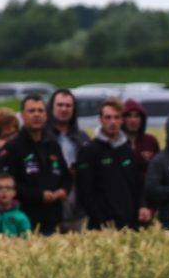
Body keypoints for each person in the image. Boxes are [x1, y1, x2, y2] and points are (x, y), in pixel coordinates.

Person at [76, 99, 151, 230]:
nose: (112, 122)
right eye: (108, 117)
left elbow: (138, 183)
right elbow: (85, 192)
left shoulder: (127, 150)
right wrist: (102, 222)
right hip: (102, 228)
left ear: (122, 120)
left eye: (116, 117)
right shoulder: (89, 151)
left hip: (130, 224)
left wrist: (142, 206)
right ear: (100, 120)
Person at [1, 95, 68, 234]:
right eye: (31, 111)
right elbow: (8, 185)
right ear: (22, 116)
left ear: (46, 115)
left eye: (40, 111)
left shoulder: (53, 145)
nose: (36, 115)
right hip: (25, 220)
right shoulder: (13, 148)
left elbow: (66, 176)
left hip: (54, 219)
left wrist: (64, 190)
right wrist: (39, 195)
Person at [48, 89, 91, 232]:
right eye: (60, 105)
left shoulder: (82, 139)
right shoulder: (43, 137)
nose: (64, 109)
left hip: (78, 209)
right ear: (51, 108)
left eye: (68, 106)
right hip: (52, 207)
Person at [121, 99, 160, 189]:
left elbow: (159, 169)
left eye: (137, 116)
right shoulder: (118, 143)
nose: (133, 120)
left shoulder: (150, 141)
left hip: (147, 192)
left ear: (142, 119)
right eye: (129, 116)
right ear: (122, 119)